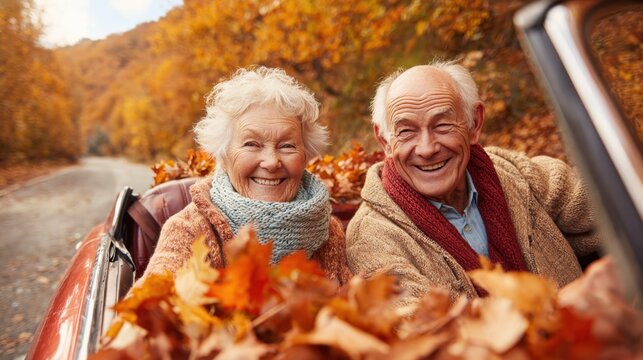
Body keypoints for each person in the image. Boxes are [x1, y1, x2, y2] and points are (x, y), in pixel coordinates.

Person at [346, 61, 600, 305]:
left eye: (442, 125)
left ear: (474, 123)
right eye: (406, 131)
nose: (427, 148)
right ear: (384, 141)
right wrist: (569, 304)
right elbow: (425, 331)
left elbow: (612, 205)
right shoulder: (371, 237)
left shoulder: (516, 174)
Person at [141, 66, 351, 284]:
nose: (271, 162)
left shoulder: (327, 231)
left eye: (287, 146)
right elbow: (151, 305)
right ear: (223, 156)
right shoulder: (190, 229)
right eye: (252, 144)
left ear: (306, 155)